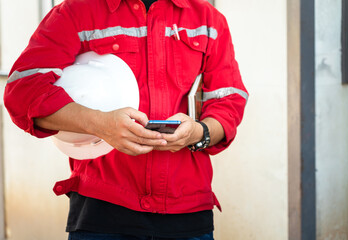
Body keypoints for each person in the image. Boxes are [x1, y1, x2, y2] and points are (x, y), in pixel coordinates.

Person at [4, 0, 248, 239]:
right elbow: (23, 92)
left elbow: (229, 103)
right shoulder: (77, 11)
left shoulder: (208, 20)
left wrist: (198, 132)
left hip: (188, 212)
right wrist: (100, 123)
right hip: (102, 212)